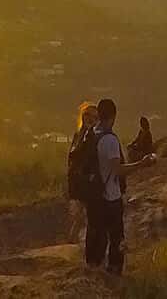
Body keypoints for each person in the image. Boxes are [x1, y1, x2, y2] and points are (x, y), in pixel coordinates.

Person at [85, 97, 152, 274]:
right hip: (110, 196)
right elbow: (118, 170)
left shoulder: (91, 133)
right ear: (113, 116)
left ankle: (93, 267)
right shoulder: (109, 140)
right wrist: (142, 165)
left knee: (96, 232)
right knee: (116, 237)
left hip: (94, 194)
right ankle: (114, 271)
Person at [64, 101, 99, 243]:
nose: (90, 118)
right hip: (76, 183)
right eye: (87, 115)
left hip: (89, 183)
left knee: (87, 217)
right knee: (77, 216)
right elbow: (71, 159)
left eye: (94, 116)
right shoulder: (78, 135)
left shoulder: (96, 137)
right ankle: (74, 244)